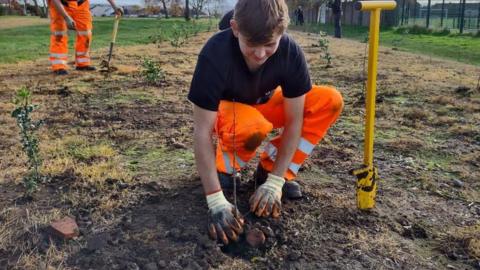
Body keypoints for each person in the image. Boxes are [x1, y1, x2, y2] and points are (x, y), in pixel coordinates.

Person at [188, 0, 343, 244]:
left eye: (270, 45)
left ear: (282, 33)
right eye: (251, 45)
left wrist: (276, 182)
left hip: (265, 105)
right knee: (253, 126)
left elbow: (294, 122)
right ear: (235, 28)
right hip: (230, 113)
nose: (260, 55)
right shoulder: (214, 55)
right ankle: (224, 169)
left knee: (329, 101)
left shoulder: (290, 52)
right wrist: (215, 200)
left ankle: (269, 171)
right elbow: (202, 131)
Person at [48, 0, 124, 75]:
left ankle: (83, 63)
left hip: (82, 5)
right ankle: (59, 66)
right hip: (60, 4)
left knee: (85, 33)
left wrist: (114, 6)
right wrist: (66, 17)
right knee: (59, 34)